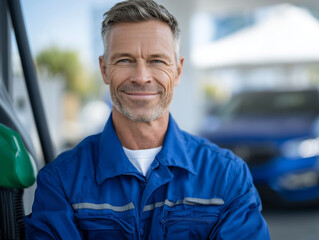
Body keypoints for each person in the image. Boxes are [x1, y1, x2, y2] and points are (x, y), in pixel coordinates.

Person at [24, 0, 271, 239]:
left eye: (157, 61)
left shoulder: (227, 175)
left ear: (177, 70)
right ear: (104, 70)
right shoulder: (60, 181)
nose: (141, 77)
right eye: (124, 60)